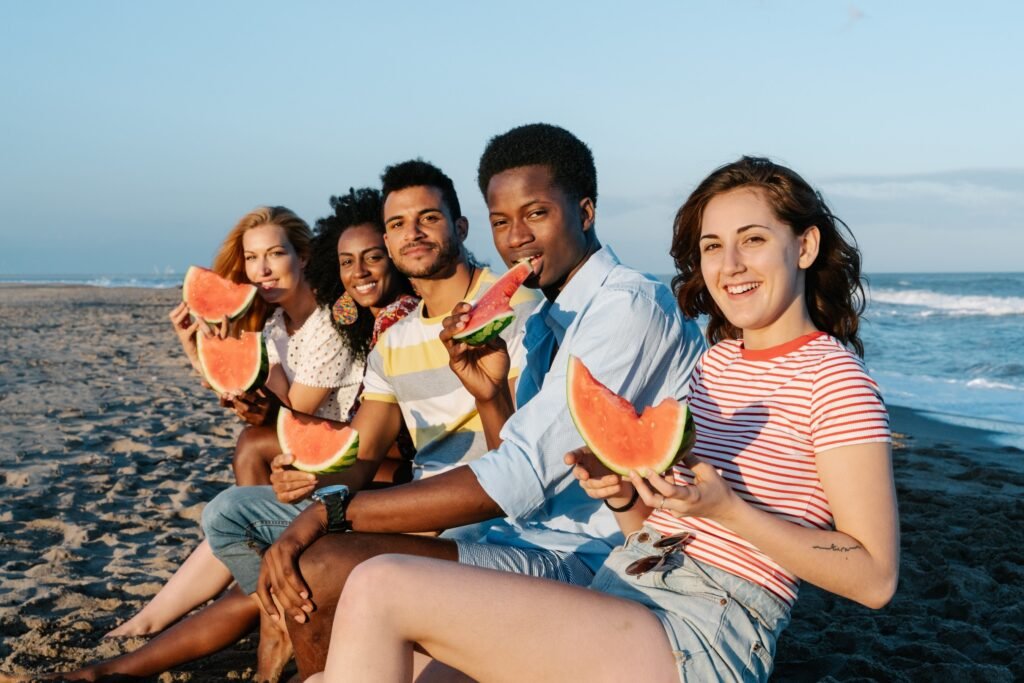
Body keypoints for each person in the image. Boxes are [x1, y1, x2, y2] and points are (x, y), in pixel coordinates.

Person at [311, 156, 900, 683]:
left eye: (752, 240)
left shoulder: (835, 381)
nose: (730, 265)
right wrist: (623, 499)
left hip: (704, 632)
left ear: (803, 246)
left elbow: (875, 579)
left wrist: (731, 510)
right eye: (713, 246)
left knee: (378, 583)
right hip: (629, 586)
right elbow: (662, 530)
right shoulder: (718, 362)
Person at [254, 124, 705, 678]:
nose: (516, 237)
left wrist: (331, 511)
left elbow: (520, 477)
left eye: (536, 213)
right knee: (327, 573)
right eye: (501, 221)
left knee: (323, 562)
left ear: (585, 212)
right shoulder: (546, 318)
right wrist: (489, 396)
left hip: (590, 561)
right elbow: (517, 460)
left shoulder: (628, 309)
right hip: (523, 538)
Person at [15, 195, 419, 682]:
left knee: (250, 456)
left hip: (364, 463)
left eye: (274, 254)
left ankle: (170, 627)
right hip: (325, 461)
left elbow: (292, 418)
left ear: (304, 257)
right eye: (252, 258)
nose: (262, 269)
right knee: (243, 488)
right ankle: (162, 620)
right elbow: (251, 396)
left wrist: (238, 369)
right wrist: (201, 350)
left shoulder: (336, 322)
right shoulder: (274, 325)